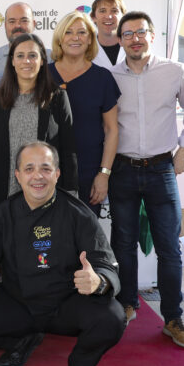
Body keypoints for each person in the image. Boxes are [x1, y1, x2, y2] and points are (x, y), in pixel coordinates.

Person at [0, 141, 125, 366]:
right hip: (19, 303)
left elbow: (104, 262)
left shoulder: (79, 215)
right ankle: (22, 340)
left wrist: (98, 281)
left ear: (57, 174)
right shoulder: (4, 214)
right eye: (29, 168)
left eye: (45, 168)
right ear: (18, 176)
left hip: (65, 306)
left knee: (112, 317)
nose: (37, 176)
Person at [108, 11, 184, 346]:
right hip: (121, 170)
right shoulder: (110, 76)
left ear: (152, 35)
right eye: (128, 33)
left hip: (162, 170)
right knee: (122, 246)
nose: (135, 38)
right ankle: (127, 305)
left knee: (169, 248)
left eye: (141, 32)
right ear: (119, 40)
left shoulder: (174, 71)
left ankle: (173, 318)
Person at [0, 33, 77, 210]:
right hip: (5, 196)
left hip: (47, 196)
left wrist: (70, 193)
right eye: (20, 56)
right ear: (12, 61)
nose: (27, 61)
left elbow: (69, 149)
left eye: (33, 55)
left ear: (41, 61)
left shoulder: (57, 98)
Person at [49, 11, 120, 216]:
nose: (75, 37)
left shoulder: (103, 78)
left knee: (83, 239)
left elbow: (112, 129)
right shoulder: (42, 75)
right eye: (69, 32)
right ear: (60, 39)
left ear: (90, 39)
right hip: (46, 171)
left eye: (82, 32)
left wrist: (104, 174)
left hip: (88, 173)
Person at [0, 2, 47, 93]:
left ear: (34, 24)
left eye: (24, 20)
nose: (18, 25)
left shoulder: (51, 58)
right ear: (5, 25)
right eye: (12, 21)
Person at [90, 0, 126, 70]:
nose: (108, 16)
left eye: (114, 11)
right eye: (102, 11)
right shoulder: (85, 49)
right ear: (93, 17)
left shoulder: (133, 45)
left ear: (124, 17)